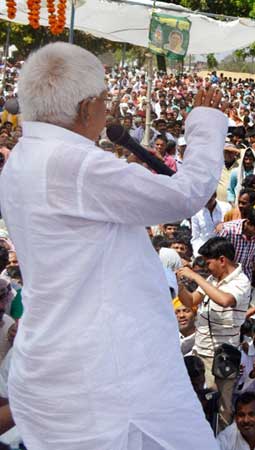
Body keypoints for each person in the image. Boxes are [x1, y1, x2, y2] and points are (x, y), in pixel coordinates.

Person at [0, 43, 228, 450]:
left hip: (53, 366)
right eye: (105, 101)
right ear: (87, 108)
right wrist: (205, 124)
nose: (108, 111)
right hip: (111, 376)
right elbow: (186, 195)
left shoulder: (22, 157)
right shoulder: (76, 163)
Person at [176, 237, 251, 427]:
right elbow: (191, 300)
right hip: (201, 350)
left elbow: (225, 300)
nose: (207, 267)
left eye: (209, 262)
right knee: (200, 402)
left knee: (222, 407)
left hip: (223, 355)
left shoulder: (241, 281)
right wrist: (180, 285)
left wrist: (196, 276)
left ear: (222, 260)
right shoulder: (212, 280)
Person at [218, 208, 255, 280]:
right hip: (227, 274)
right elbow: (217, 252)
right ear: (248, 222)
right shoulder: (228, 230)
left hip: (246, 275)